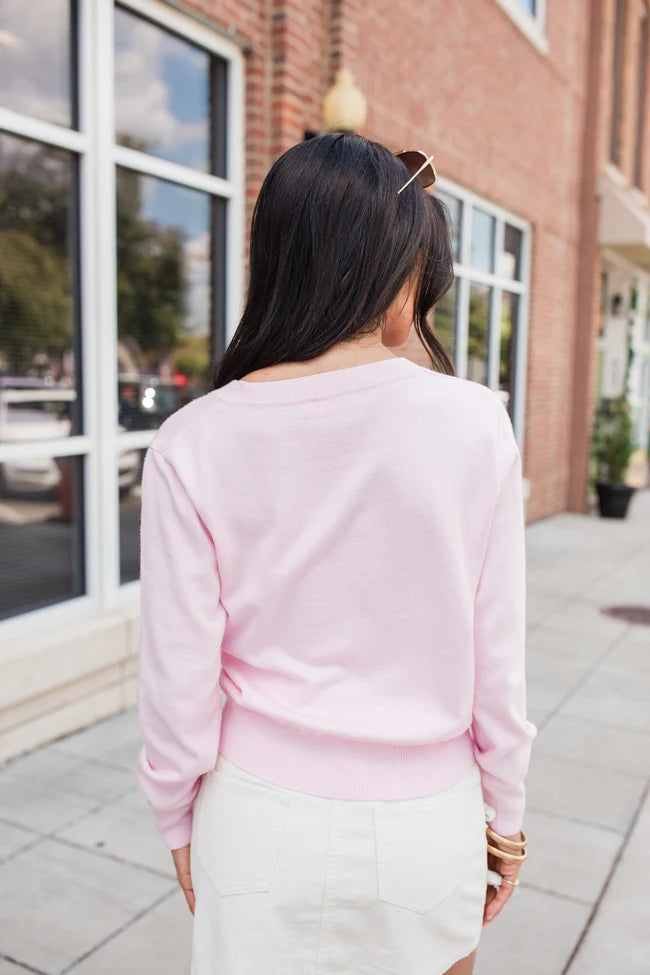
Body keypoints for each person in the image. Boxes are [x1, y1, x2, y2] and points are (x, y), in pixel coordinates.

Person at [135, 132, 538, 975]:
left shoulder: (192, 441)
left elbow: (178, 683)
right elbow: (497, 666)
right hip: (428, 823)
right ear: (397, 276)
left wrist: (175, 814)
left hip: (254, 822)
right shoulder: (475, 425)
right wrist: (504, 817)